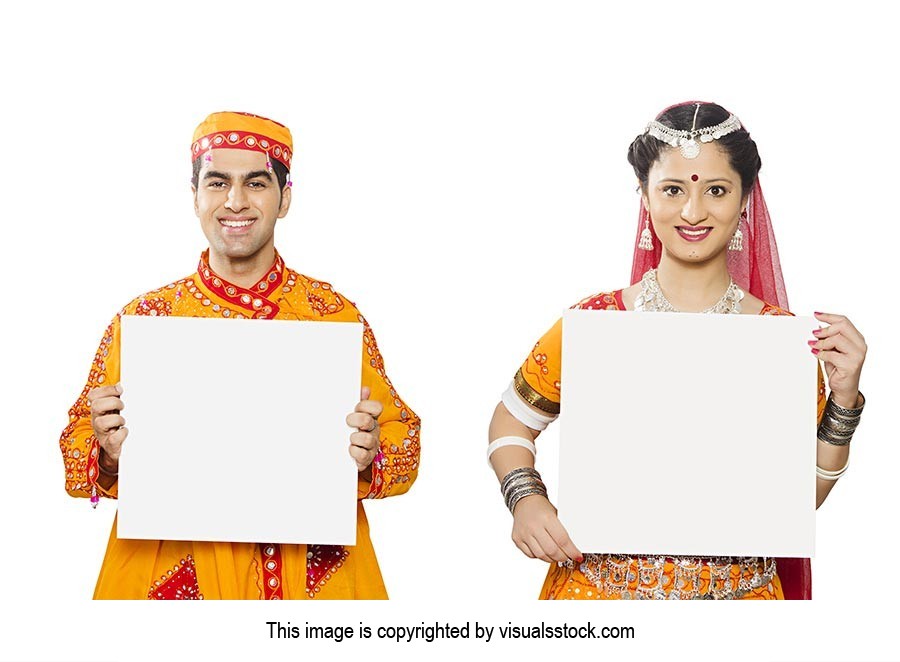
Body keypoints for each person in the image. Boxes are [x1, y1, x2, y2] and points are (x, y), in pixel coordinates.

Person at [487, 101, 867, 600]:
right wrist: (525, 498)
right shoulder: (598, 324)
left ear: (746, 199)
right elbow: (512, 420)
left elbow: (793, 503)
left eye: (715, 190)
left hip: (739, 607)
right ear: (643, 195)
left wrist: (843, 400)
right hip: (598, 603)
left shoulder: (776, 340)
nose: (693, 212)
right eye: (673, 189)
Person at [59, 111, 420, 599]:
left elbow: (406, 439)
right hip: (172, 579)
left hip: (316, 577)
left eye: (256, 182)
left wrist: (369, 453)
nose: (235, 201)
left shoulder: (334, 318)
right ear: (195, 197)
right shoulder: (147, 320)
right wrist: (107, 452)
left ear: (284, 198)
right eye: (217, 182)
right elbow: (75, 443)